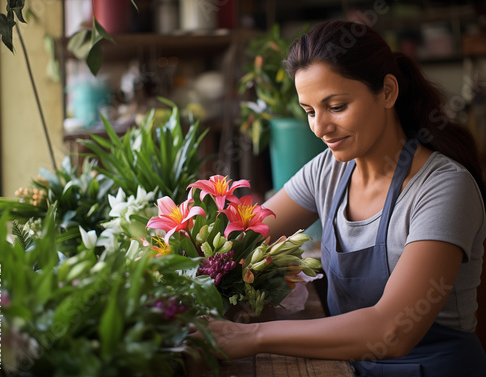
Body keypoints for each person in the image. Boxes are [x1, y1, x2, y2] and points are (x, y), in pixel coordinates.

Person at [206, 19, 486, 376]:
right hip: (351, 367)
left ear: (387, 92)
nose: (320, 128)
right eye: (309, 111)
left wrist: (251, 336)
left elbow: (393, 330)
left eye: (336, 106)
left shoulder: (443, 188)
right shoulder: (328, 172)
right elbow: (241, 242)